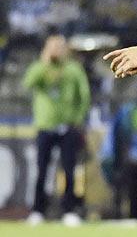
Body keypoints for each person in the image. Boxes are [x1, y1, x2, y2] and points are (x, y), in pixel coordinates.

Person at [23, 34, 91, 226]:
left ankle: (68, 210)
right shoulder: (40, 67)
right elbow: (28, 83)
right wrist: (44, 64)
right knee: (41, 170)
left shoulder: (73, 69)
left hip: (68, 127)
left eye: (59, 46)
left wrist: (77, 119)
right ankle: (37, 210)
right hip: (45, 125)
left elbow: (84, 95)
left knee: (69, 170)